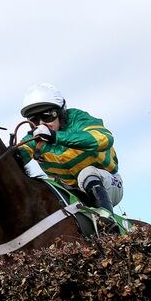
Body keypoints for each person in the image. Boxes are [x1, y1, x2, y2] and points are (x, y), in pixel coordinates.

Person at [17, 83, 123, 212]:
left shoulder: (78, 119)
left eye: (47, 116)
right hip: (71, 194)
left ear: (61, 113)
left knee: (87, 173)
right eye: (34, 120)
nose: (41, 124)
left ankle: (107, 221)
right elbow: (13, 161)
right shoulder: (34, 139)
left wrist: (56, 137)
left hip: (108, 183)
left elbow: (105, 139)